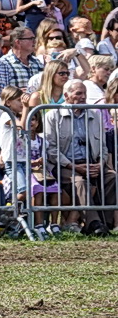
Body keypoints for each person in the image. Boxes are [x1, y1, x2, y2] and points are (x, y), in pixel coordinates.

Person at [42, 79, 116, 235]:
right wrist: (73, 166)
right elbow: (51, 150)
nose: (83, 97)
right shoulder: (53, 116)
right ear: (66, 95)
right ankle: (94, 224)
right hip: (65, 166)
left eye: (85, 93)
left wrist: (100, 164)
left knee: (112, 177)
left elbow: (103, 146)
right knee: (80, 182)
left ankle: (105, 223)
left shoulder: (94, 115)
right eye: (79, 93)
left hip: (92, 163)